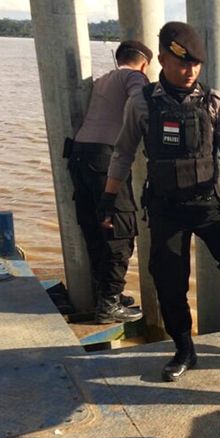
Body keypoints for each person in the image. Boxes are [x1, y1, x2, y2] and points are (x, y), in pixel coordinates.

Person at [100, 21, 220, 382]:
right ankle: (183, 348)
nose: (190, 71)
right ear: (162, 58)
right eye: (182, 63)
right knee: (169, 281)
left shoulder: (214, 102)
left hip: (205, 203)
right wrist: (107, 199)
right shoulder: (142, 103)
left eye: (196, 64)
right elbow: (122, 154)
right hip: (165, 207)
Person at [68, 40, 152, 324]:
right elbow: (140, 100)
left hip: (80, 156)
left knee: (95, 229)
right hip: (105, 159)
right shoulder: (134, 76)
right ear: (145, 63)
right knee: (121, 232)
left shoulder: (103, 79)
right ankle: (108, 304)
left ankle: (106, 294)